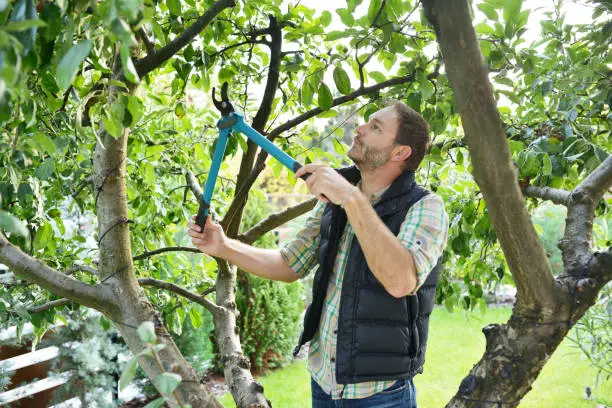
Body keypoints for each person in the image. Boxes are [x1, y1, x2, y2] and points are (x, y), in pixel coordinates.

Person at [188, 100, 449, 407]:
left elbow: (400, 281)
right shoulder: (335, 200)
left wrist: (351, 199)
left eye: (375, 127)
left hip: (380, 395)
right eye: (366, 122)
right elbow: (289, 263)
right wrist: (223, 246)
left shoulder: (425, 207)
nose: (359, 128)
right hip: (323, 385)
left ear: (400, 152)